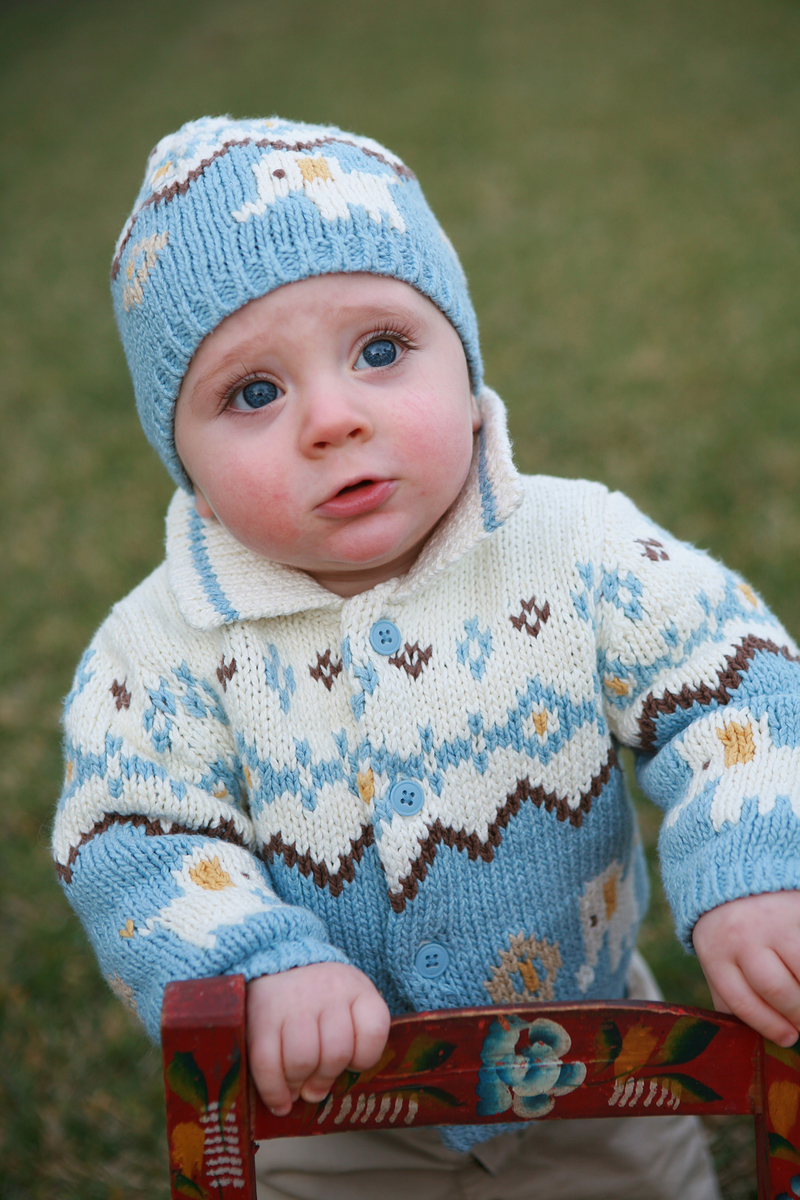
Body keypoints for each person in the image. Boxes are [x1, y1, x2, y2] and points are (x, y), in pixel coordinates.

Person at [53, 116, 800, 1200]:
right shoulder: (159, 646)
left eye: (380, 351)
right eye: (253, 393)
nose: (332, 419)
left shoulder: (577, 547)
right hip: (324, 1106)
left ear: (466, 365)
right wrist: (259, 963)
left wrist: (756, 863)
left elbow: (737, 688)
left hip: (600, 1067)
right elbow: (132, 835)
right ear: (187, 469)